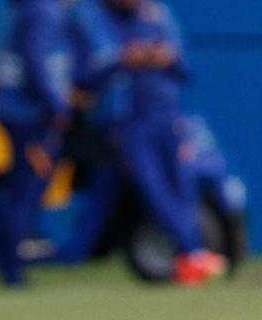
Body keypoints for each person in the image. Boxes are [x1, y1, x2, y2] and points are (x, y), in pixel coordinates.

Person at [91, 0, 225, 284]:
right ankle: (191, 253)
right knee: (154, 189)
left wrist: (166, 57)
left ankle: (193, 253)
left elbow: (186, 67)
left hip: (167, 117)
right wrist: (123, 59)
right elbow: (85, 72)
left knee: (182, 187)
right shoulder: (92, 16)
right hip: (129, 123)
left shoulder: (158, 14)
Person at [0, 0, 73, 286]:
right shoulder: (42, 9)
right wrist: (56, 106)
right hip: (29, 116)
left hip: (19, 112)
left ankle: (8, 262)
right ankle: (11, 269)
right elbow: (35, 62)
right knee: (26, 191)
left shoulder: (27, 8)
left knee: (21, 188)